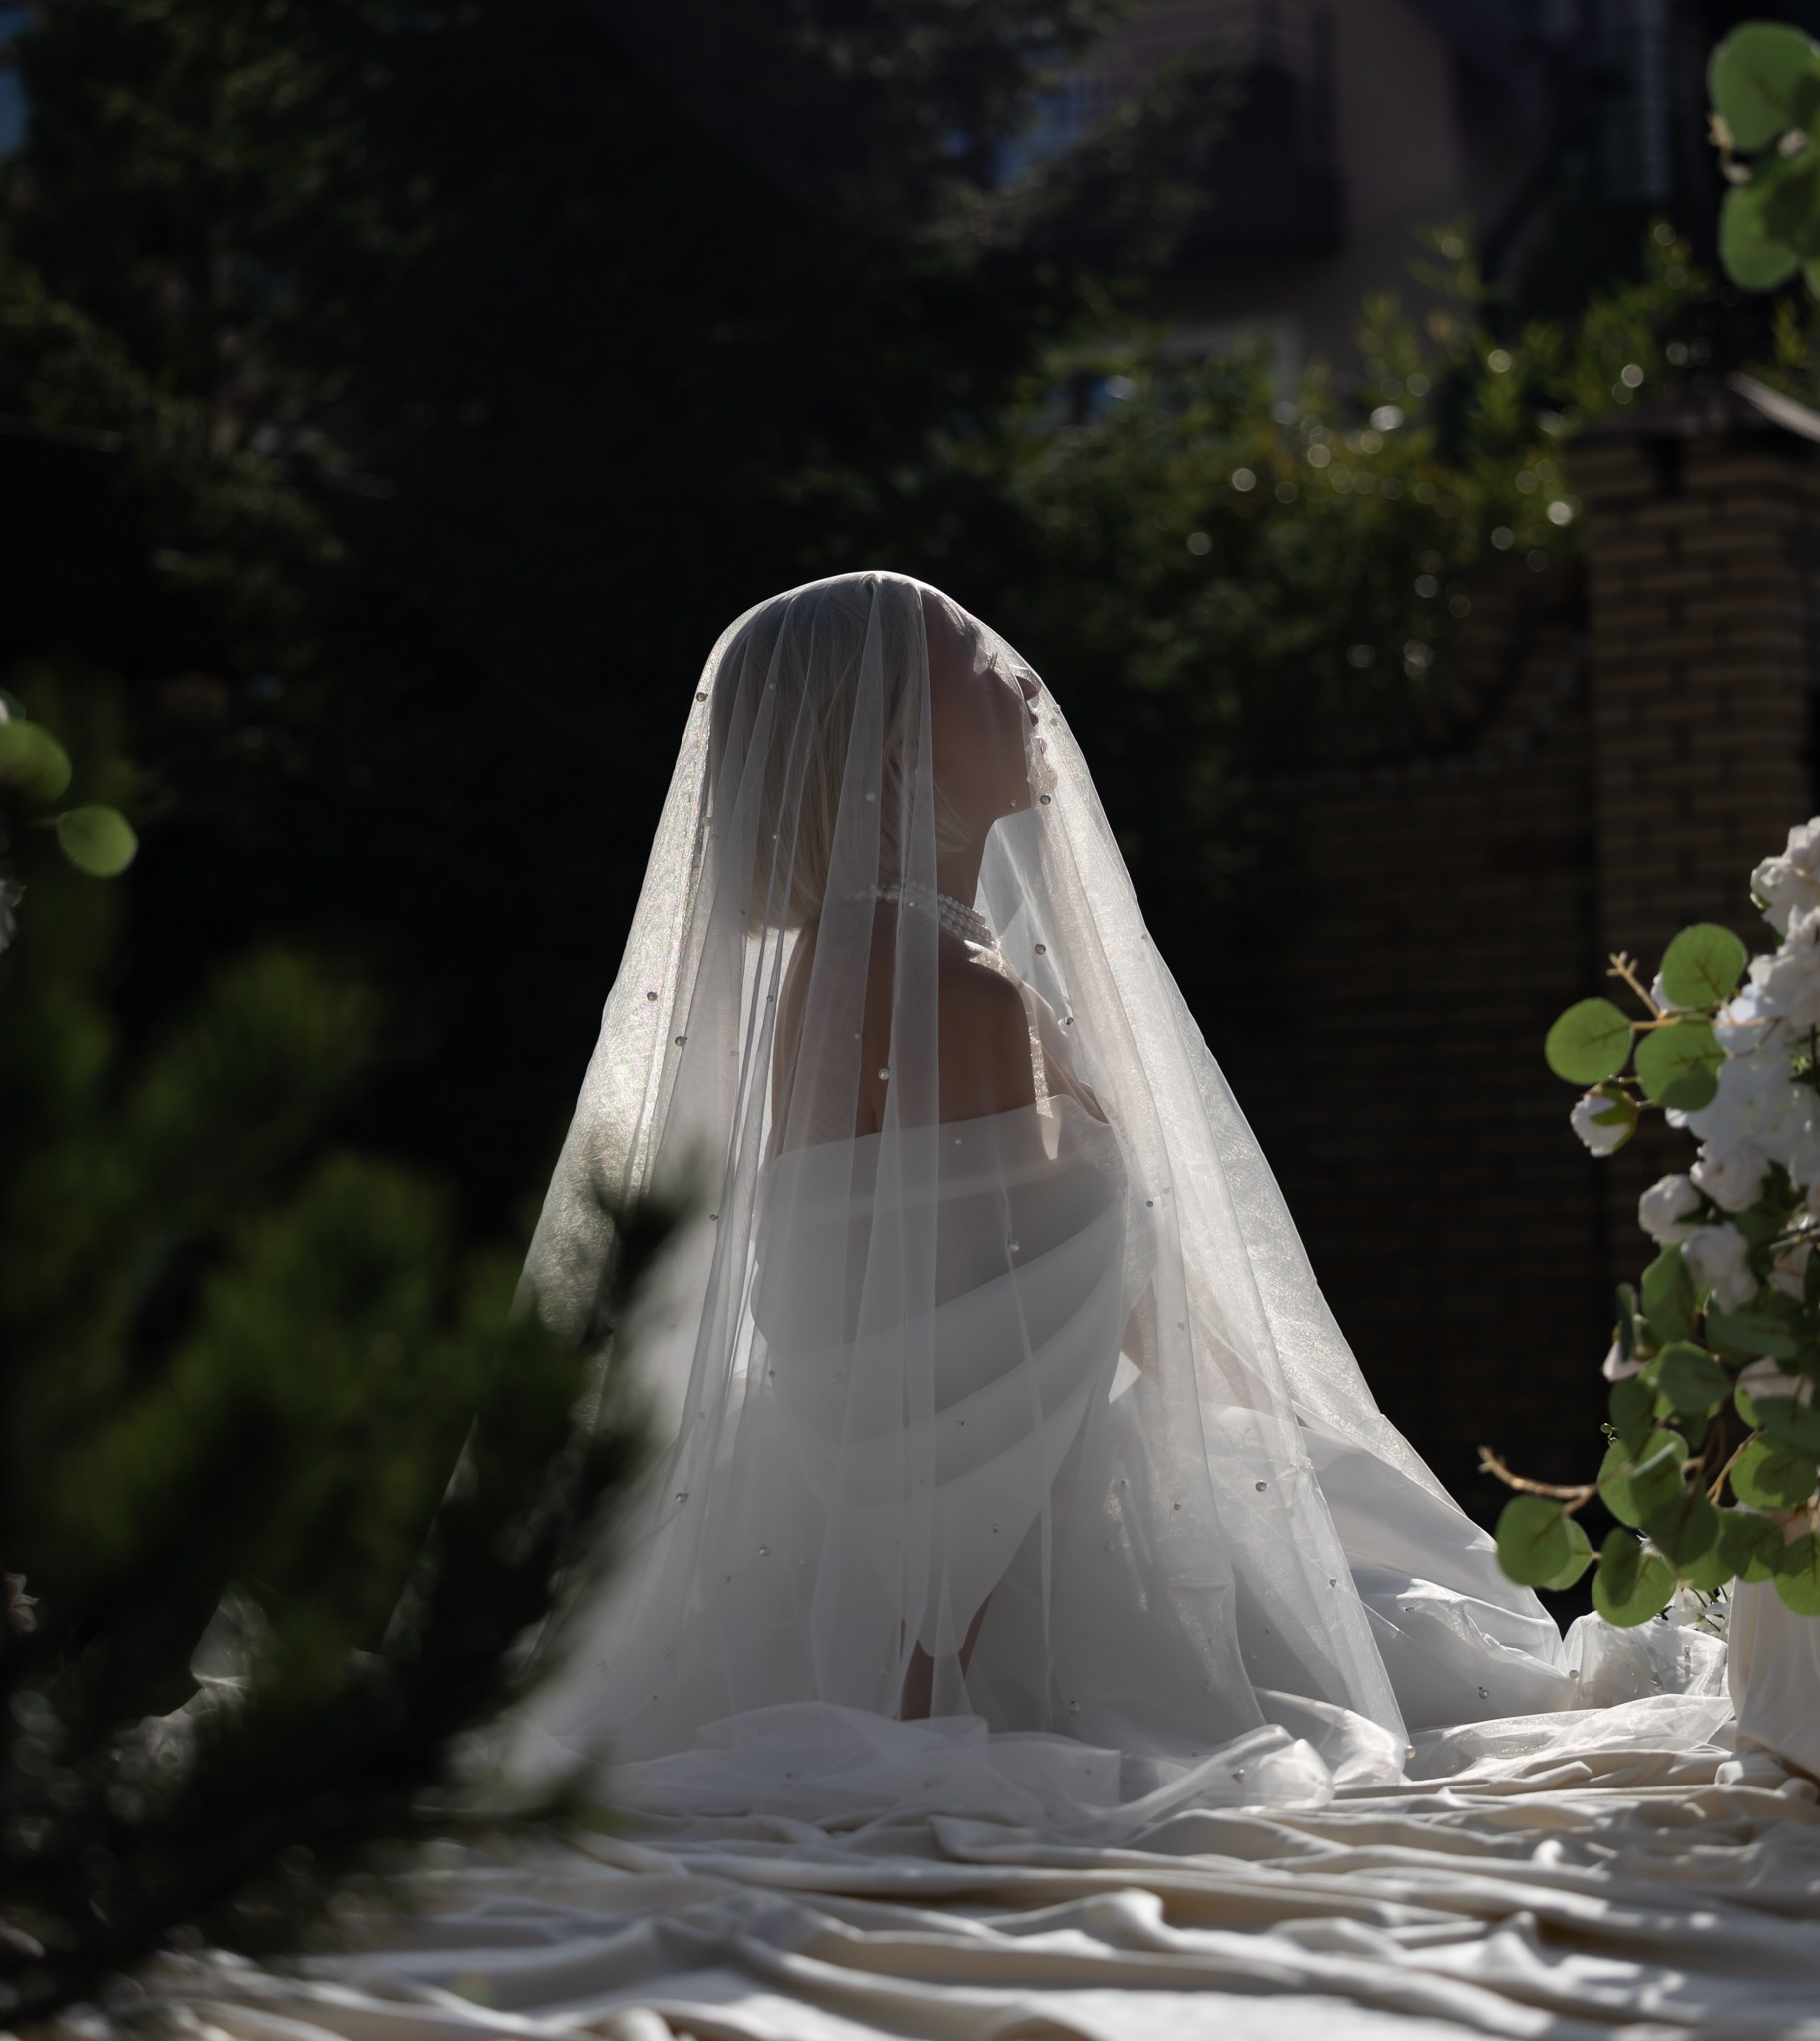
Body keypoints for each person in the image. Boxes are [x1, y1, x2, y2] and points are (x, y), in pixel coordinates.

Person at [523, 573, 1714, 1824]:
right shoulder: (946, 996)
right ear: (890, 730)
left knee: (1413, 1630)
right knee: (1426, 1684)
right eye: (977, 666)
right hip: (1015, 1566)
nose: (1023, 681)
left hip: (864, 1533)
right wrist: (931, 1699)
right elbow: (977, 1375)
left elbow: (910, 1313)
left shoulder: (859, 963)